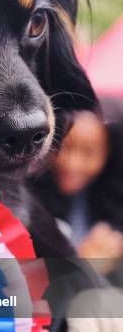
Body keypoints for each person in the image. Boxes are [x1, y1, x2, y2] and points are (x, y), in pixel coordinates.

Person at [31, 96, 123, 279]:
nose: (73, 164)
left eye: (89, 152)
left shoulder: (114, 212)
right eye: (65, 147)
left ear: (109, 151)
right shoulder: (31, 202)